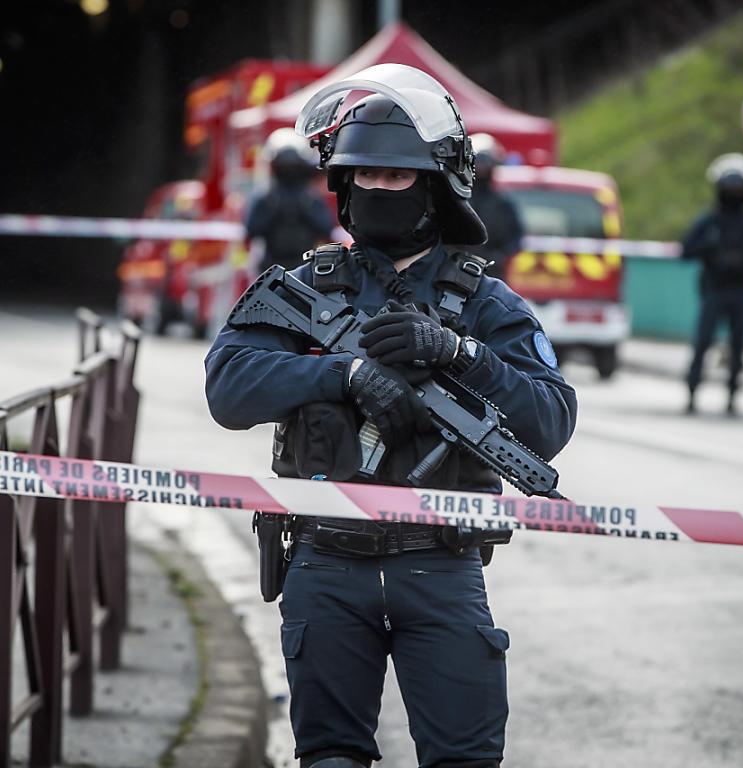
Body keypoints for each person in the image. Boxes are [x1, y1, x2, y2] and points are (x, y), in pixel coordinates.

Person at [204, 64, 577, 768]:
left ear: (435, 187)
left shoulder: (486, 305)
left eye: (397, 176)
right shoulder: (303, 290)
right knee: (330, 757)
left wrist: (460, 354)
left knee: (465, 759)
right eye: (365, 175)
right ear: (343, 187)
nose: (378, 188)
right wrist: (342, 374)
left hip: (440, 564)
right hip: (324, 561)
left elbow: (550, 421)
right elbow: (228, 388)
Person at [681, 153, 743, 415]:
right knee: (702, 343)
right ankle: (692, 391)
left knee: (738, 347)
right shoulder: (710, 222)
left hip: (740, 292)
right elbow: (686, 250)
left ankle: (732, 395)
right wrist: (711, 249)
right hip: (713, 290)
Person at [245, 129, 335, 274]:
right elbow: (252, 229)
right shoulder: (266, 198)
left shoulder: (309, 198)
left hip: (304, 269)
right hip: (271, 268)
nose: (289, 171)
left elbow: (326, 229)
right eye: (285, 166)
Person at [465, 133, 523, 275]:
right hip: (459, 267)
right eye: (478, 162)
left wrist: (499, 257)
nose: (481, 168)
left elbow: (516, 237)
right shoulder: (459, 199)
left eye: (485, 162)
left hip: (492, 270)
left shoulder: (502, 203)